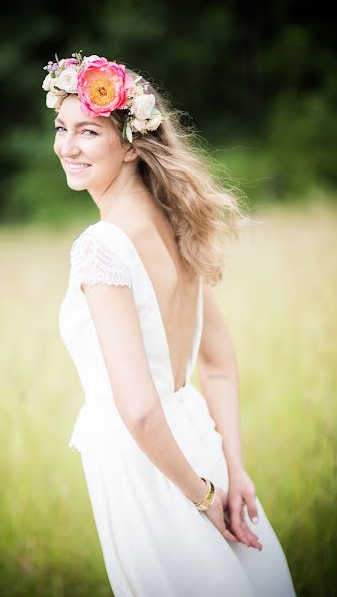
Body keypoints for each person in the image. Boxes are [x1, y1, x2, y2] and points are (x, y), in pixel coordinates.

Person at [44, 51, 297, 596]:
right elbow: (219, 365)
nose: (66, 146)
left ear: (132, 142)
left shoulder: (101, 246)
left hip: (152, 472)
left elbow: (138, 411)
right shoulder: (174, 222)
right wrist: (232, 469)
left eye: (88, 131)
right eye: (61, 128)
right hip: (198, 446)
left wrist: (205, 499)